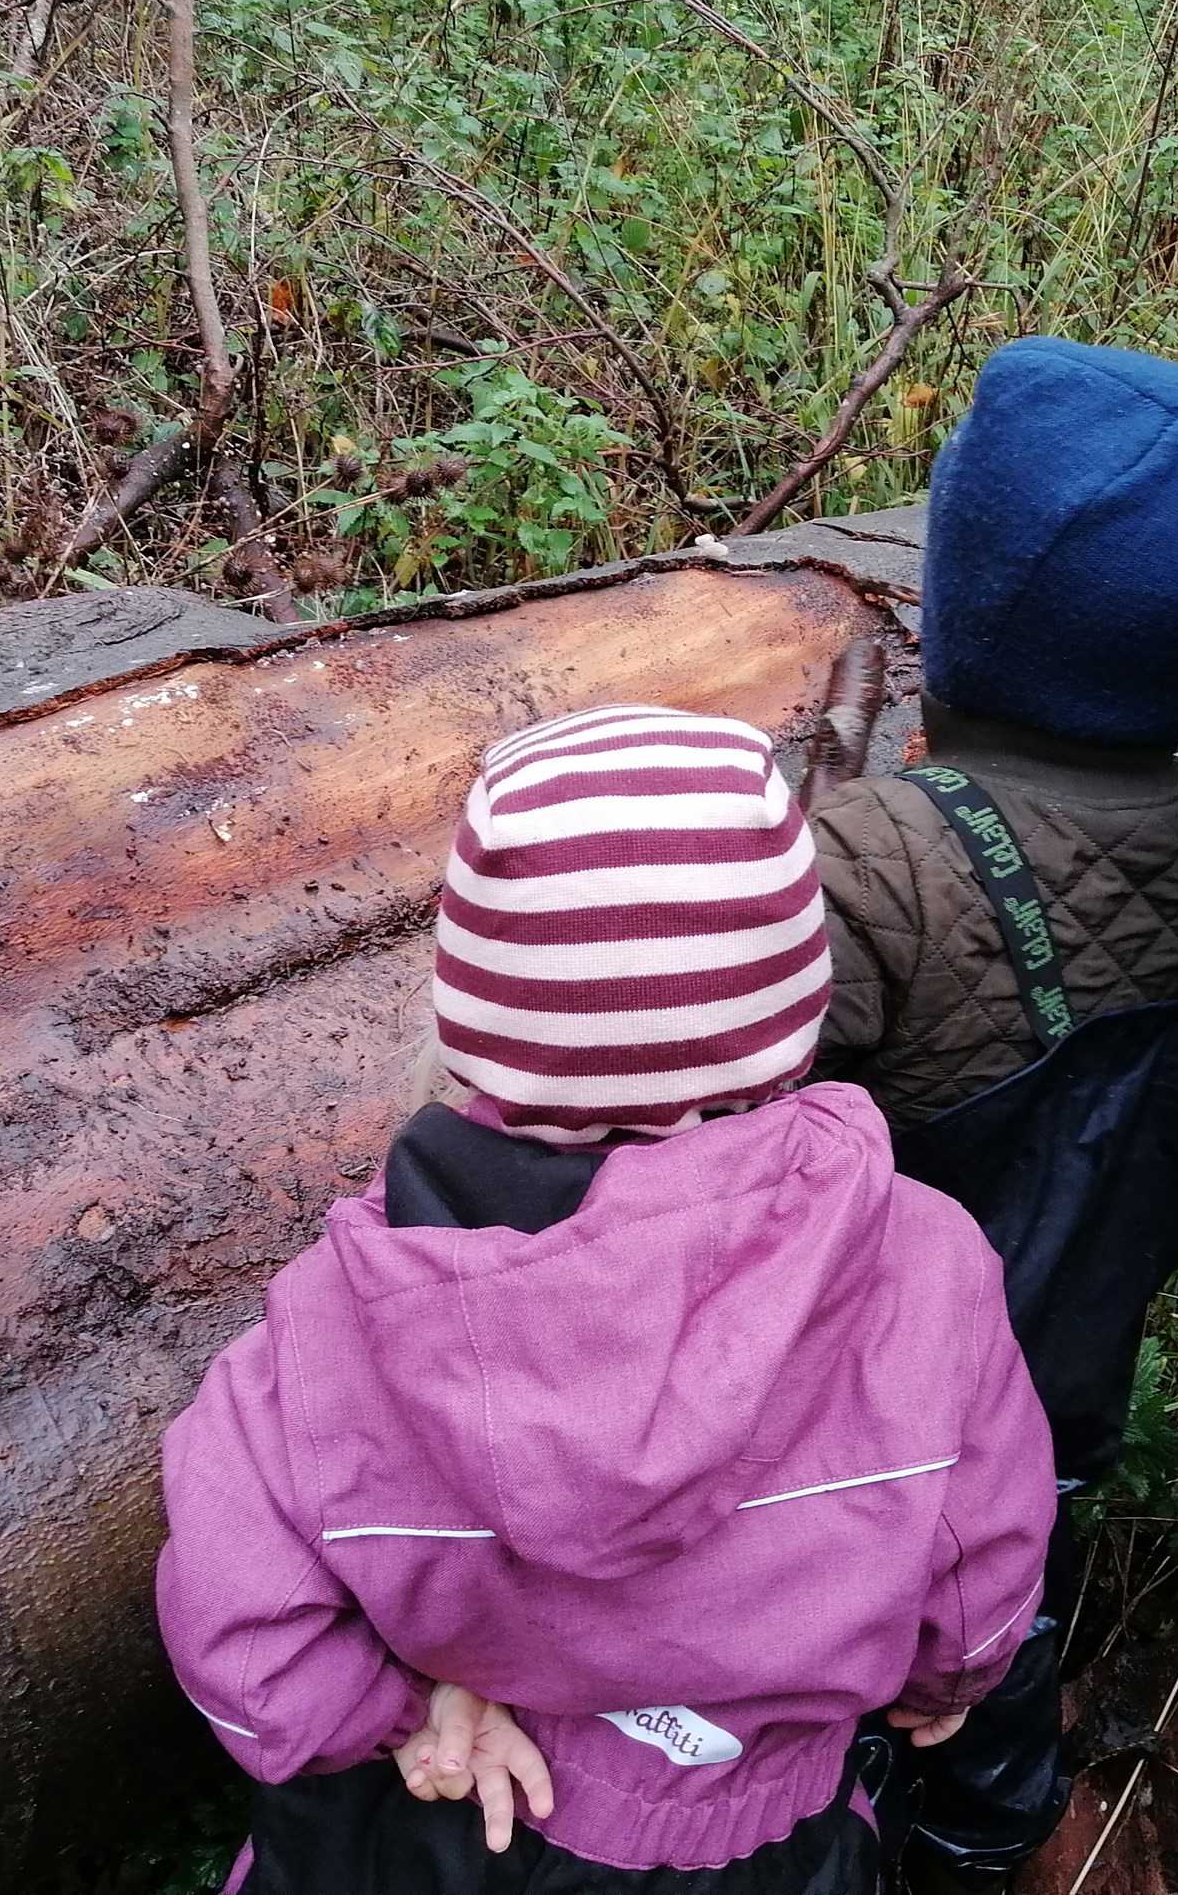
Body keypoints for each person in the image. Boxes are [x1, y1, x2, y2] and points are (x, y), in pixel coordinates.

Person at [154, 704, 1055, 1895]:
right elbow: (978, 1549)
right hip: (761, 1836)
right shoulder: (925, 1262)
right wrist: (953, 1679)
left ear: (474, 1023)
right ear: (791, 1017)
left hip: (441, 1830)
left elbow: (241, 1621)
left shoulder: (338, 1311)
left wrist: (398, 1719)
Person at [806, 336, 1178, 1885]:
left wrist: (797, 817)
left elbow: (725, 1116)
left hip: (864, 1418)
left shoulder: (873, 858)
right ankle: (997, 1813)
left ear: (976, 603)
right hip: (1072, 1370)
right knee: (1018, 1577)